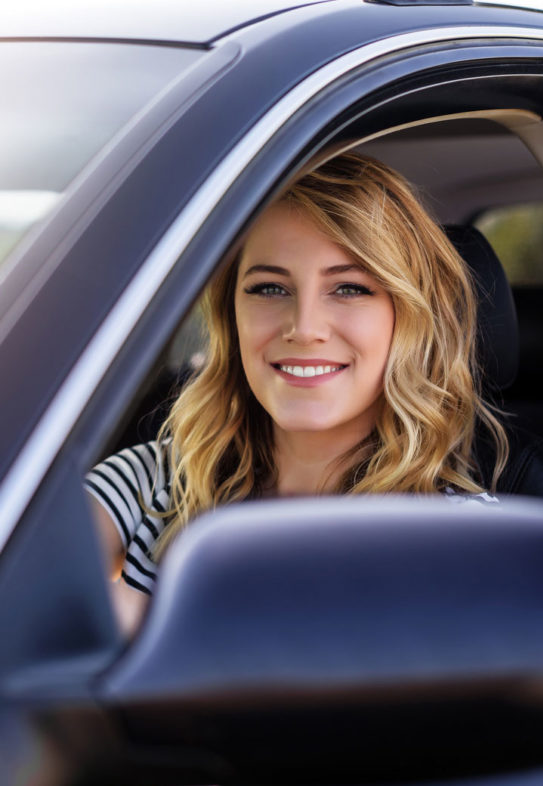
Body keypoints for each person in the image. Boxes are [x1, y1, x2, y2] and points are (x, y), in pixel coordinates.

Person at [85, 153, 508, 633]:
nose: (304, 329)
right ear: (231, 318)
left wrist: (142, 621)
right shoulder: (159, 478)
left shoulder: (469, 540)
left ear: (407, 319)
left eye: (349, 288)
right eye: (269, 288)